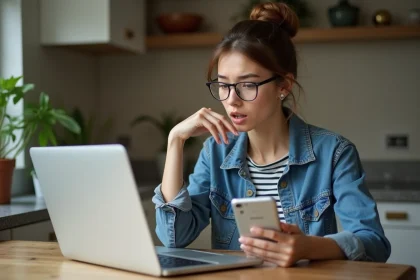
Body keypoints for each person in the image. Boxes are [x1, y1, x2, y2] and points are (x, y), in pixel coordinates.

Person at [152, 2, 391, 267]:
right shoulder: (215, 151)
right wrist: (176, 140)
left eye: (247, 85)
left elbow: (374, 244)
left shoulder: (334, 153)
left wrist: (309, 247)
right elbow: (173, 237)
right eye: (223, 85)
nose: (231, 100)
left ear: (284, 86)